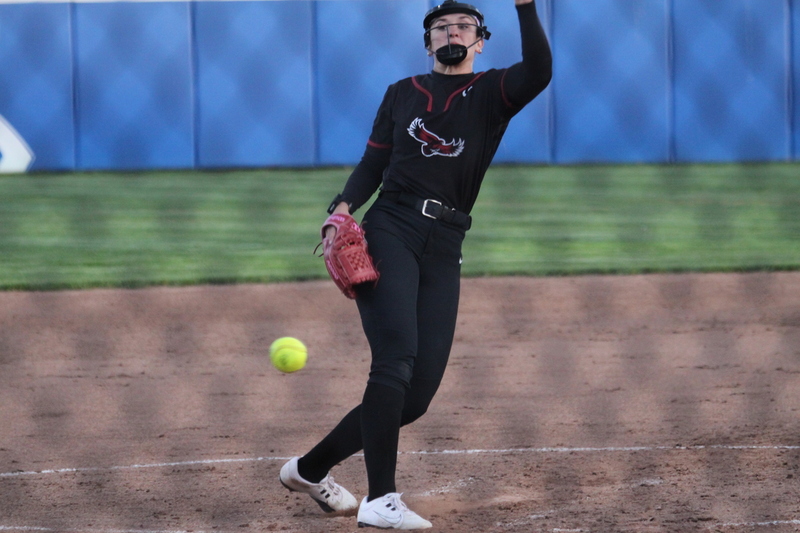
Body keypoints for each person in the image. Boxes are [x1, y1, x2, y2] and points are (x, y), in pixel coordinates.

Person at [279, 0, 552, 529]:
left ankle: (307, 470)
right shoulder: (402, 93)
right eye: (441, 27)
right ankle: (381, 500)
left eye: (464, 26)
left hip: (446, 244)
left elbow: (539, 70)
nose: (452, 32)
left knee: (417, 394)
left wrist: (525, 6)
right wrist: (342, 208)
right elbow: (374, 162)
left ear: (480, 41)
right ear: (428, 42)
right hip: (392, 226)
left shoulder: (492, 92)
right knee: (395, 358)